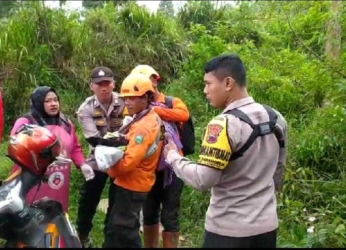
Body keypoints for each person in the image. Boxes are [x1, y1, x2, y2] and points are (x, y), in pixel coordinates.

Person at [163, 54, 288, 248]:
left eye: (208, 84)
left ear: (228, 83)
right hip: (267, 227)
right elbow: (278, 171)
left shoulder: (223, 124)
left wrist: (173, 157)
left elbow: (203, 180)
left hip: (228, 230)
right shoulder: (275, 117)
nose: (205, 90)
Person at [9, 86, 95, 247]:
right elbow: (16, 146)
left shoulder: (66, 122)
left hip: (58, 183)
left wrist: (82, 164)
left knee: (57, 215)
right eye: (48, 101)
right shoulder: (26, 122)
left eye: (55, 100)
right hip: (33, 183)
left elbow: (74, 147)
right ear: (38, 102)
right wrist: (47, 158)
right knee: (32, 220)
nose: (53, 104)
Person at [101, 73, 164, 248]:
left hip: (132, 184)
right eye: (126, 98)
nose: (127, 102)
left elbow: (129, 162)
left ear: (146, 98)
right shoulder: (149, 117)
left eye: (133, 98)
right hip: (137, 183)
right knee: (117, 228)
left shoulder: (142, 128)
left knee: (126, 231)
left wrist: (108, 169)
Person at [130, 65, 190, 248]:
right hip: (149, 168)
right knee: (149, 213)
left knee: (170, 216)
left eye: (145, 80)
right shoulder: (136, 106)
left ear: (155, 80)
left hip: (173, 167)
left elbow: (183, 115)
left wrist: (155, 110)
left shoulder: (171, 101)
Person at [75, 66, 127, 247]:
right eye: (99, 84)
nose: (104, 88)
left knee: (117, 200)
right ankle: (81, 234)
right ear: (92, 86)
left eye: (107, 83)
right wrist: (122, 142)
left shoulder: (125, 101)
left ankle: (110, 237)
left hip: (122, 160)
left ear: (113, 83)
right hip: (97, 159)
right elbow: (94, 139)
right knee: (88, 199)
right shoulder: (86, 108)